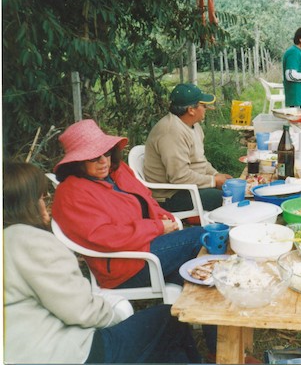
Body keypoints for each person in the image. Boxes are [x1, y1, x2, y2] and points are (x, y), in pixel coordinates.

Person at [3, 161, 201, 363]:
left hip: (27, 349)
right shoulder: (30, 241)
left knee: (180, 277)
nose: (103, 160)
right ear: (30, 203)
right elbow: (81, 311)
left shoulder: (11, 240)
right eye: (42, 197)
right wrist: (117, 314)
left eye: (106, 154)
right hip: (68, 354)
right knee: (169, 320)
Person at [52, 119, 204, 289]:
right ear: (77, 161)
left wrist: (164, 218)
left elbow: (145, 198)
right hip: (124, 265)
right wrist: (158, 227)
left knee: (194, 273)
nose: (103, 161)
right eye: (94, 157)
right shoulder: (71, 193)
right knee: (201, 236)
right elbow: (105, 236)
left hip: (145, 245)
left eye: (107, 153)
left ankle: (188, 305)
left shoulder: (116, 170)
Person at [144, 83, 233, 213]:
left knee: (232, 190)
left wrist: (216, 174)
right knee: (228, 198)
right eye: (203, 105)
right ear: (191, 110)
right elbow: (179, 177)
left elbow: (200, 160)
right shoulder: (171, 131)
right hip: (170, 196)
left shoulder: (193, 125)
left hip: (188, 187)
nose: (207, 108)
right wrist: (214, 181)